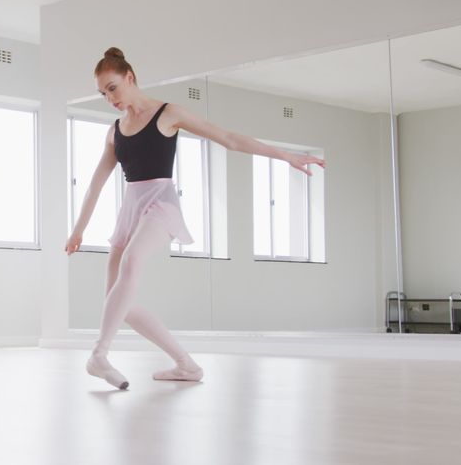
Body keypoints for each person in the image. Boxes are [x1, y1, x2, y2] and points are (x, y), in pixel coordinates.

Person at [66, 47, 325, 390]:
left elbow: (229, 139)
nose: (109, 97)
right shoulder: (114, 132)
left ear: (130, 77)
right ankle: (186, 365)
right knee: (119, 303)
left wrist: (284, 155)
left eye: (112, 87)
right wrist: (78, 230)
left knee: (131, 265)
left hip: (161, 204)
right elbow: (94, 186)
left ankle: (99, 355)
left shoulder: (167, 113)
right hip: (131, 207)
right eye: (103, 93)